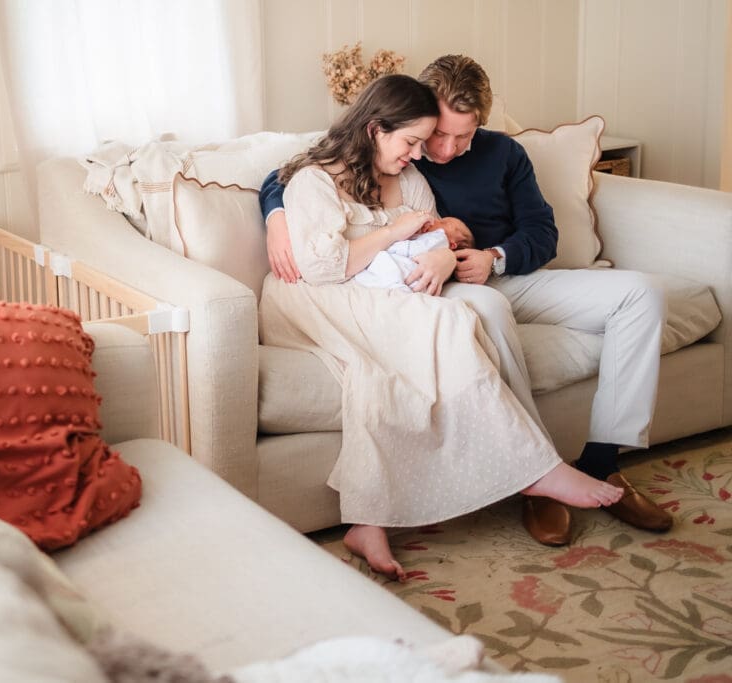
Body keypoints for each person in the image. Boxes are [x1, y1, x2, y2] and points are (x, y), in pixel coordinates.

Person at [259, 55, 671, 547]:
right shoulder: (396, 155)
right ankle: (535, 475)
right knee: (479, 312)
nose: (447, 148)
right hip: (441, 286)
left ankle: (604, 462)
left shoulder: (500, 155)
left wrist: (493, 256)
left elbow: (542, 233)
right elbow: (296, 175)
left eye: (464, 134)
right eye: (436, 136)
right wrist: (275, 216)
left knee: (642, 294)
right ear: (417, 118)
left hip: (503, 273)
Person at [354, 217, 474, 290]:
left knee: (385, 263)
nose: (437, 220)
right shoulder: (430, 238)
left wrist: (393, 247)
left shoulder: (440, 239)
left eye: (444, 223)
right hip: (405, 273)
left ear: (452, 245)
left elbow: (415, 249)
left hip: (410, 275)